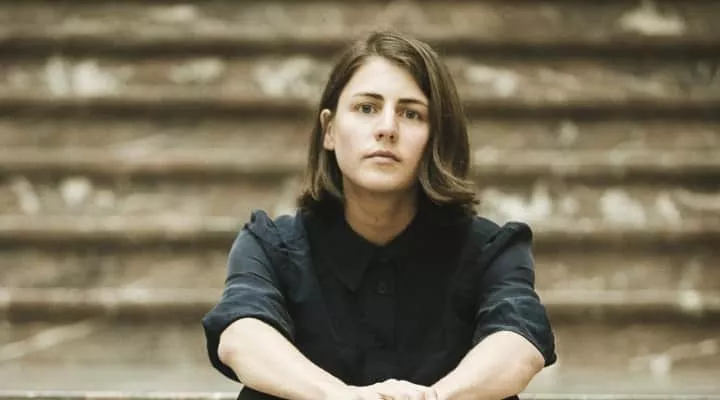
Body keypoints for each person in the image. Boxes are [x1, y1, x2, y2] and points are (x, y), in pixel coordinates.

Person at [202, 31, 557, 400]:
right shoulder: (269, 245)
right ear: (329, 130)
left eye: (411, 113)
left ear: (437, 137)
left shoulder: (492, 250)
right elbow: (241, 335)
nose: (387, 128)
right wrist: (340, 397)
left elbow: (519, 343)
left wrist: (434, 399)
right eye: (366, 108)